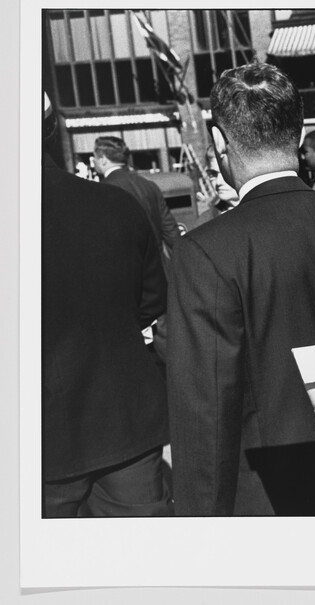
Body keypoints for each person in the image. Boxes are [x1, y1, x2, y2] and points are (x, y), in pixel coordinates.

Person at [166, 63, 315, 516]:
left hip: (268, 499)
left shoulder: (205, 251)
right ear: (298, 134)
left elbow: (205, 411)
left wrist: (198, 527)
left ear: (219, 142)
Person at [41, 93, 172, 517]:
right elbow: (152, 298)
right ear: (52, 129)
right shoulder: (115, 203)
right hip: (125, 420)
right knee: (140, 554)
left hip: (43, 439)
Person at [91, 136, 182, 258]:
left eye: (94, 157)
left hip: (125, 262)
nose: (93, 161)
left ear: (103, 160)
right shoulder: (149, 185)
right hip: (157, 262)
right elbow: (170, 230)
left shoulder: (101, 190)